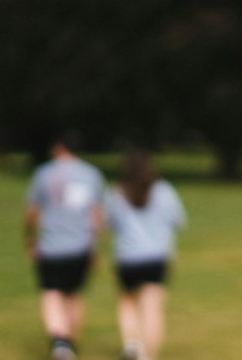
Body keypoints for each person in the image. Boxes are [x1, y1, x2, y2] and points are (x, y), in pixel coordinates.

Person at [24, 134, 105, 360]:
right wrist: (95, 246)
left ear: (59, 148)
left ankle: (59, 341)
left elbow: (32, 212)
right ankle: (70, 340)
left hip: (50, 245)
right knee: (73, 295)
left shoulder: (43, 173)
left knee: (51, 293)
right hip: (80, 245)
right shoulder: (91, 174)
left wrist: (30, 239)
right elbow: (96, 215)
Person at [105, 149, 186, 360]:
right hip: (157, 257)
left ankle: (132, 343)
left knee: (127, 302)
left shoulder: (117, 193)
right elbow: (179, 221)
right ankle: (148, 355)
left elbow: (109, 224)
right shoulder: (164, 191)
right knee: (152, 309)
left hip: (127, 257)